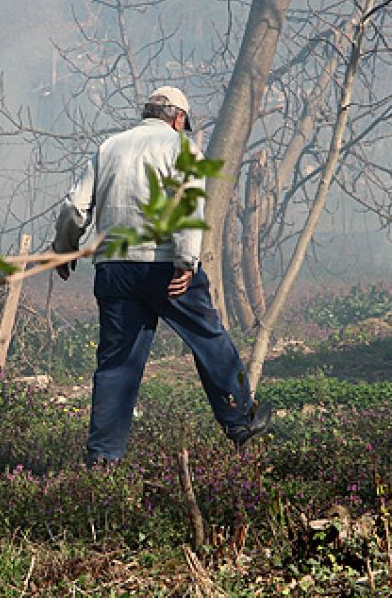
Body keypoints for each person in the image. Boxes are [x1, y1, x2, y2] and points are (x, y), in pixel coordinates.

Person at [52, 86, 271, 465]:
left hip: (114, 268)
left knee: (117, 363)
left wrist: (65, 247)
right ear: (178, 119)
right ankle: (240, 421)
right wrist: (187, 262)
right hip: (165, 267)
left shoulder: (109, 147)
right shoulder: (181, 148)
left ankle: (103, 457)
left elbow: (74, 207)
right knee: (208, 339)